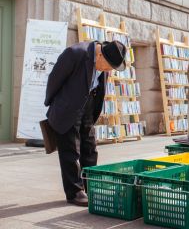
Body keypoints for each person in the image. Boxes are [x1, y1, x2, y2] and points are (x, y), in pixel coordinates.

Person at [44, 40, 127, 206]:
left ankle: (90, 185)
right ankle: (75, 191)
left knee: (89, 147)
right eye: (109, 66)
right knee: (70, 149)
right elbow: (55, 78)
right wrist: (53, 104)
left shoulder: (105, 59)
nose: (109, 70)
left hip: (88, 104)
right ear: (100, 55)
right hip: (67, 106)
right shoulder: (75, 54)